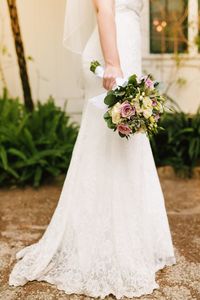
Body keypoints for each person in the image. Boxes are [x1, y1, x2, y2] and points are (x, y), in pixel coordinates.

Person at [9, 0, 176, 298]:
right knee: (109, 144)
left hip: (125, 48)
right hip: (111, 53)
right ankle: (103, 244)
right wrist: (113, 63)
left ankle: (130, 238)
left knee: (126, 145)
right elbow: (105, 9)